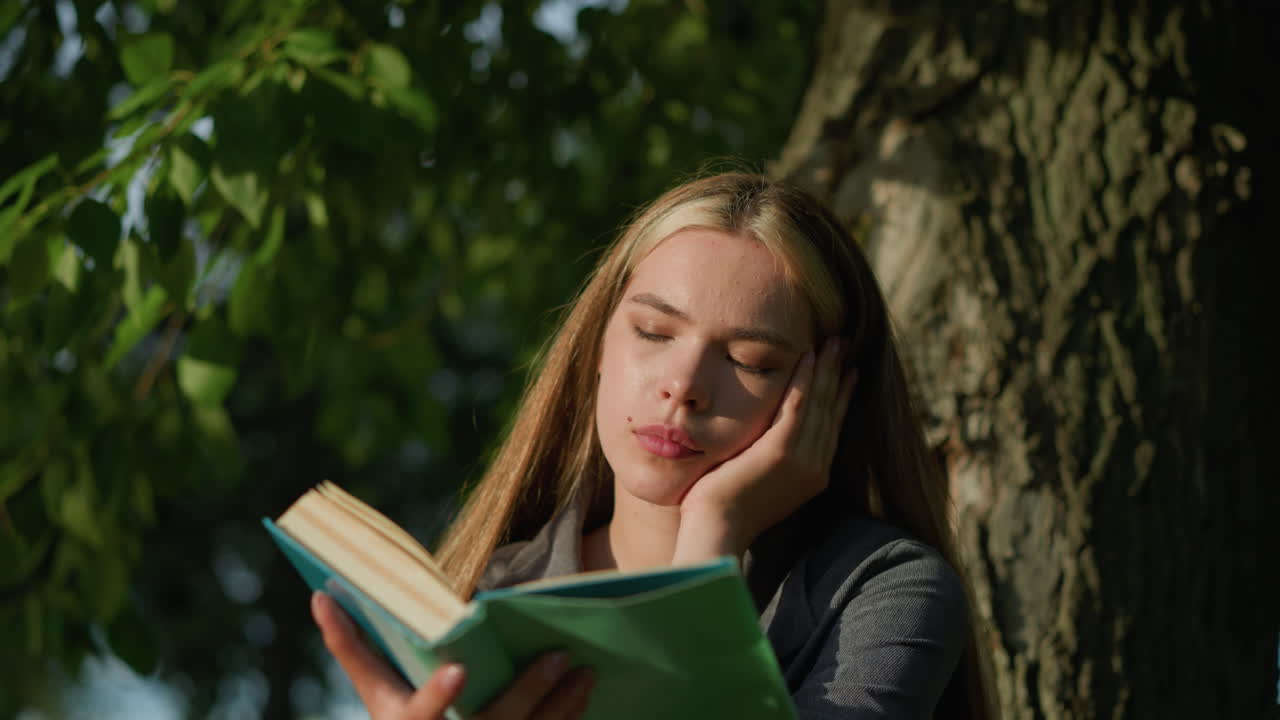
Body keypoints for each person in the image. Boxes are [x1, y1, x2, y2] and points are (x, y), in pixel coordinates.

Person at [311, 172, 992, 719]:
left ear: (827, 399)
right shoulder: (484, 603)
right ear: (598, 347)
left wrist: (710, 536)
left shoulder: (887, 593)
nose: (684, 385)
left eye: (751, 360)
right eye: (655, 333)